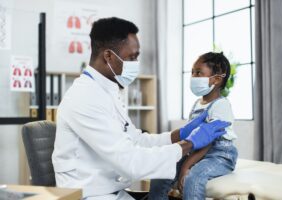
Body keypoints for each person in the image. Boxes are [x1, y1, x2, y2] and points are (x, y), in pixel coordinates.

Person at [52, 17, 230, 200]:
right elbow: (130, 161)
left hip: (111, 192)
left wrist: (181, 134)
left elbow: (135, 140)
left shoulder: (107, 91)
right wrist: (190, 143)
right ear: (108, 56)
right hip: (88, 195)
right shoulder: (85, 97)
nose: (136, 63)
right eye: (132, 57)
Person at [149, 52, 238, 200]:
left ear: (216, 79)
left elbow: (207, 141)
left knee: (193, 178)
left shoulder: (221, 105)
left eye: (198, 73)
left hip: (219, 155)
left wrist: (186, 166)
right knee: (162, 170)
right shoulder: (197, 104)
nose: (193, 77)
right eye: (192, 72)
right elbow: (193, 137)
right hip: (196, 153)